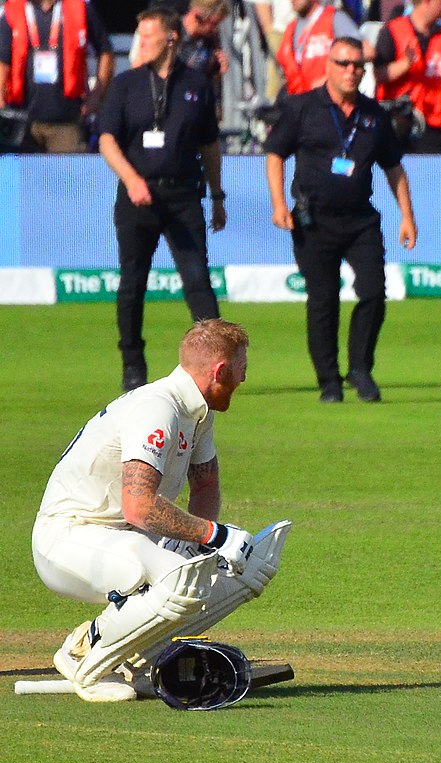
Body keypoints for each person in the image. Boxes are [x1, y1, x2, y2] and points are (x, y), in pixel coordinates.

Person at [32, 319, 286, 704]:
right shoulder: (158, 409)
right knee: (176, 575)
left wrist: (203, 548)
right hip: (67, 539)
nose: (243, 379)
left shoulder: (197, 412)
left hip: (124, 539)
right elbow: (139, 505)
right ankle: (85, 656)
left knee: (244, 567)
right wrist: (213, 536)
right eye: (242, 369)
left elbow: (205, 484)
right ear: (220, 371)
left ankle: (141, 660)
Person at [265, 36, 417, 404]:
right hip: (313, 220)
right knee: (323, 299)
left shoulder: (373, 115)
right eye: (344, 64)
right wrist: (278, 204)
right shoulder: (302, 108)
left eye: (358, 66)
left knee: (373, 293)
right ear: (328, 66)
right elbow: (274, 155)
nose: (352, 72)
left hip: (360, 220)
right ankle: (328, 380)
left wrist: (407, 216)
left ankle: (360, 370)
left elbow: (393, 168)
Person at [98, 6, 226, 396]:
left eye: (147, 34)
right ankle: (133, 364)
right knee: (132, 282)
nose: (140, 42)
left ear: (170, 38)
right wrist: (132, 179)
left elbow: (209, 145)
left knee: (198, 282)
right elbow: (106, 140)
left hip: (184, 194)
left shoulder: (196, 84)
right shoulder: (125, 85)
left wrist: (217, 195)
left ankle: (216, 364)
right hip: (138, 196)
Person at [0, 0, 114, 152]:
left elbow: (105, 51)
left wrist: (97, 94)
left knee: (66, 175)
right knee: (24, 174)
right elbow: (2, 60)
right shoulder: (12, 9)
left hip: (67, 122)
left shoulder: (80, 7)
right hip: (22, 122)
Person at [374, 0, 441, 154]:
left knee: (431, 173)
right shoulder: (393, 30)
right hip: (397, 119)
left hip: (433, 121)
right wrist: (405, 64)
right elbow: (379, 74)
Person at [275, 0, 359, 96]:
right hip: (297, 100)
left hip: (326, 99)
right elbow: (283, 68)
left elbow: (365, 51)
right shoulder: (291, 28)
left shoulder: (333, 18)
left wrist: (332, 79)